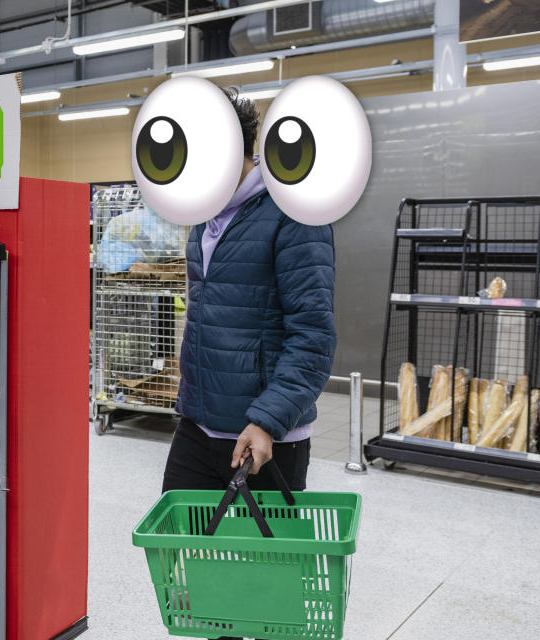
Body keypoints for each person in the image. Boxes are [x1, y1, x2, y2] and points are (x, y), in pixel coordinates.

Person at [162, 88, 337, 640]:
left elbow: (313, 335)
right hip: (198, 426)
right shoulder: (203, 219)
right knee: (191, 572)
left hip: (265, 440)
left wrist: (267, 418)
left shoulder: (294, 213)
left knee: (265, 597)